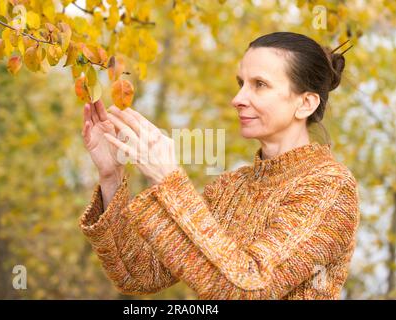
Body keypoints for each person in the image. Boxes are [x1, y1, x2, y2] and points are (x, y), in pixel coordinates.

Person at [78, 31, 360, 299]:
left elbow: (248, 289)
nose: (237, 100)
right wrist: (111, 177)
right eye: (241, 84)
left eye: (259, 85)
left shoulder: (330, 188)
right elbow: (138, 275)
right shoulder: (229, 187)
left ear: (306, 103)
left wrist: (168, 179)